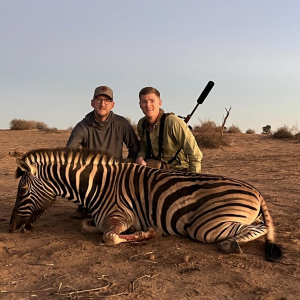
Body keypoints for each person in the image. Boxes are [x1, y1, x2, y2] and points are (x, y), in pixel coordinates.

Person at [66, 85, 139, 218]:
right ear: (92, 103)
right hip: (91, 174)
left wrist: (122, 166)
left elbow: (135, 149)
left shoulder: (121, 123)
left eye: (107, 101)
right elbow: (70, 151)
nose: (102, 104)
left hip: (115, 174)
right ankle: (83, 205)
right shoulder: (82, 126)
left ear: (112, 105)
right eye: (99, 100)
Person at [135, 87, 203, 173]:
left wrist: (194, 181)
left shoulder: (173, 122)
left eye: (152, 101)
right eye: (144, 101)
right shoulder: (141, 123)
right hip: (157, 170)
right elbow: (143, 146)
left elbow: (195, 154)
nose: (148, 105)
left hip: (178, 172)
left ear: (160, 103)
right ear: (140, 104)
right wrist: (140, 158)